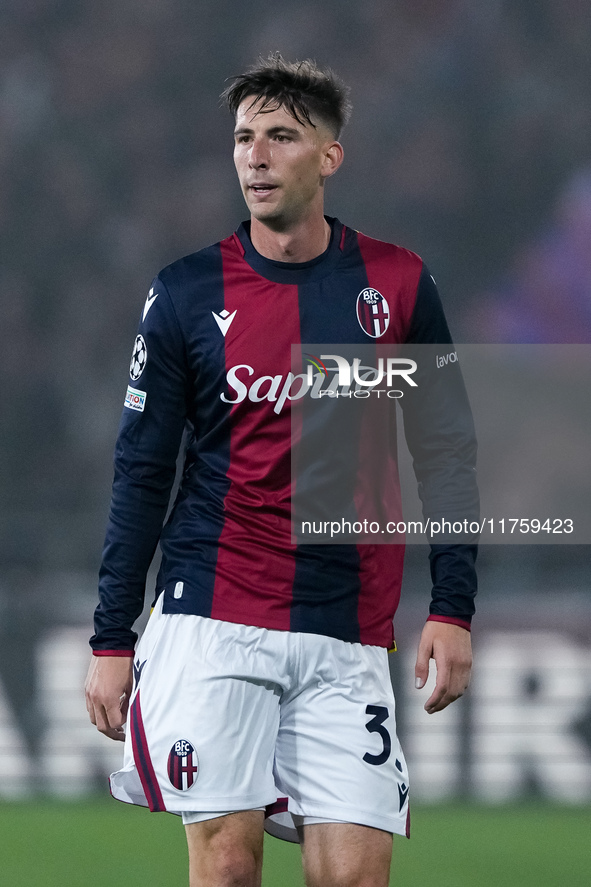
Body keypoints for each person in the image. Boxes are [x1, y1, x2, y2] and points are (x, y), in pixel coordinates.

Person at [85, 54, 478, 887]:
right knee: (227, 869)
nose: (254, 156)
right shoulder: (187, 294)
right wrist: (112, 633)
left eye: (279, 137)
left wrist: (452, 605)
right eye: (242, 138)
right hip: (214, 613)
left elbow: (444, 447)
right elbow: (141, 469)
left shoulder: (397, 284)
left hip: (346, 625)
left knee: (356, 878)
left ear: (328, 156)